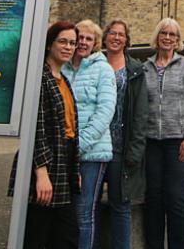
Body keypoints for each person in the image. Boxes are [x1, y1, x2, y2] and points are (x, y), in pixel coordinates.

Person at [9, 21, 81, 249]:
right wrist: (41, 173)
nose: (68, 47)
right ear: (50, 44)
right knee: (38, 235)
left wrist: (75, 169)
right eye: (63, 41)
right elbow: (37, 128)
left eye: (72, 43)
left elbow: (71, 128)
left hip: (64, 162)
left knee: (66, 236)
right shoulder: (40, 78)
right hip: (45, 162)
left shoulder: (64, 80)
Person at [142, 18, 184, 249]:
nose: (168, 38)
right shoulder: (145, 67)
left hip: (178, 141)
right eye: (164, 33)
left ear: (178, 40)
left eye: (173, 35)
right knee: (154, 198)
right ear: (157, 37)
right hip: (152, 142)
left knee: (175, 198)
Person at [62, 19, 116, 249]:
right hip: (64, 151)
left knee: (84, 213)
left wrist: (79, 145)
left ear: (95, 43)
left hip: (91, 153)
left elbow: (105, 111)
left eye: (88, 39)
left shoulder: (103, 69)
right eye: (79, 38)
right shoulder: (62, 69)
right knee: (65, 213)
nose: (83, 42)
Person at [98, 19, 148, 249]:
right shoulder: (93, 63)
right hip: (95, 146)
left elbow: (140, 114)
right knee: (89, 206)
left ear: (127, 40)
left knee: (120, 205)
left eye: (121, 34)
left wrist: (135, 150)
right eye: (113, 33)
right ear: (105, 36)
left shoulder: (135, 70)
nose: (117, 38)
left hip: (120, 146)